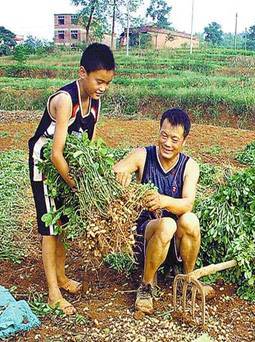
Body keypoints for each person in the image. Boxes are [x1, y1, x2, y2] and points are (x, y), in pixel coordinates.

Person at [28, 43, 115, 314]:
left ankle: (62, 277)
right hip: (45, 163)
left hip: (68, 166)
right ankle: (53, 292)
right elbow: (56, 154)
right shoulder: (66, 100)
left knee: (64, 223)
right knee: (50, 228)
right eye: (99, 81)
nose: (102, 87)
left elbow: (88, 145)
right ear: (82, 72)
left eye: (108, 83)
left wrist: (92, 174)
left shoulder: (95, 102)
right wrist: (76, 185)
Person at [113, 108, 210, 314]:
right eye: (164, 136)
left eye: (174, 139)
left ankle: (188, 278)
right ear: (159, 132)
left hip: (174, 243)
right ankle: (146, 286)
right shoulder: (143, 155)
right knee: (167, 224)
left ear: (184, 141)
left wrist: (163, 201)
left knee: (190, 220)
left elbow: (187, 204)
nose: (167, 143)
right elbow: (116, 170)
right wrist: (122, 177)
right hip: (146, 236)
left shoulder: (189, 166)